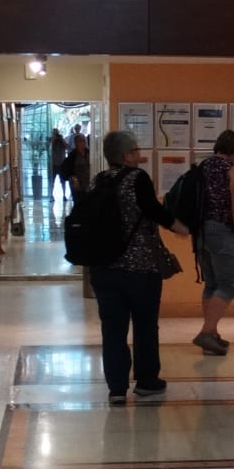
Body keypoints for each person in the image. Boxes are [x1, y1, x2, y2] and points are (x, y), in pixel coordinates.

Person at [88, 129, 187, 405]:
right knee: (145, 325)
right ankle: (146, 381)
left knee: (113, 329)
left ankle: (117, 388)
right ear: (125, 155)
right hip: (140, 268)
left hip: (103, 268)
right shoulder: (137, 178)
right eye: (135, 151)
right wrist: (178, 226)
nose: (139, 155)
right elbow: (153, 209)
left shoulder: (98, 181)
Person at [189, 129, 234, 356]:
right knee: (229, 284)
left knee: (212, 284)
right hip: (222, 231)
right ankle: (206, 331)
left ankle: (211, 337)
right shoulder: (233, 170)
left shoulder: (203, 167)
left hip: (200, 232)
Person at [47, 127, 68, 205]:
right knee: (51, 181)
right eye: (54, 133)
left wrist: (61, 139)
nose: (56, 134)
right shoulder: (50, 139)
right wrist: (53, 139)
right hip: (53, 164)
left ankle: (64, 195)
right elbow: (47, 148)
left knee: (63, 181)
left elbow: (67, 147)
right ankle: (51, 195)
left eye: (57, 133)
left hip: (61, 164)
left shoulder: (61, 140)